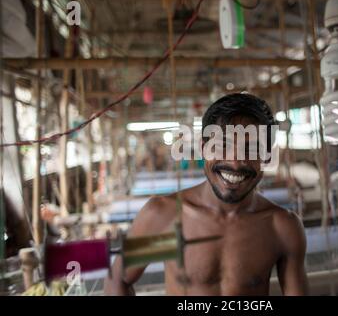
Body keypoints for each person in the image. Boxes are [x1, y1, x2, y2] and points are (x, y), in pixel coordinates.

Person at [104, 93, 308, 296]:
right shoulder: (165, 217)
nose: (236, 163)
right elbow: (119, 280)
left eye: (251, 149)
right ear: (203, 148)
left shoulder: (281, 227)